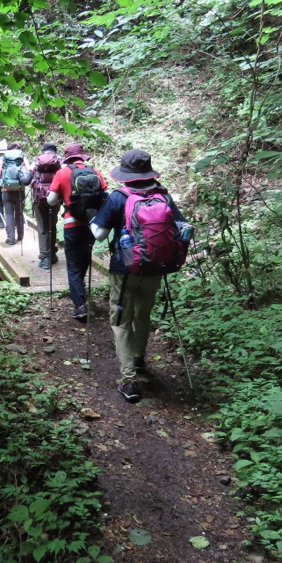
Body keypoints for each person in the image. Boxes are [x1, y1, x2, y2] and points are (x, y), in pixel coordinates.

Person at [90, 149, 187, 403]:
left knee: (121, 321)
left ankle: (128, 379)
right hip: (156, 266)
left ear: (125, 173)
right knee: (142, 315)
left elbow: (99, 235)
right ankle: (139, 359)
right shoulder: (163, 195)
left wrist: (92, 219)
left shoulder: (118, 197)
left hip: (125, 270)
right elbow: (181, 227)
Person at [47, 143, 107, 320]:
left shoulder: (62, 173)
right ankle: (79, 290)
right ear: (83, 156)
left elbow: (50, 200)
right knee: (84, 258)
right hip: (91, 223)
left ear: (67, 157)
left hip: (71, 224)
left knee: (72, 265)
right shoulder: (94, 171)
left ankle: (80, 305)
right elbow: (106, 194)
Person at [0, 141, 31, 245]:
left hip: (6, 191)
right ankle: (20, 235)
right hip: (20, 190)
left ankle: (11, 239)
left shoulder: (3, 158)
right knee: (19, 213)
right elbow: (30, 171)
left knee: (9, 214)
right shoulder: (22, 157)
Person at [30, 143, 61, 269]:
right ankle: (52, 254)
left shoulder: (36, 161)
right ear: (54, 151)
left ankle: (45, 258)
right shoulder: (59, 161)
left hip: (39, 198)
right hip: (55, 198)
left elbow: (27, 179)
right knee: (52, 224)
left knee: (42, 227)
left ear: (43, 151)